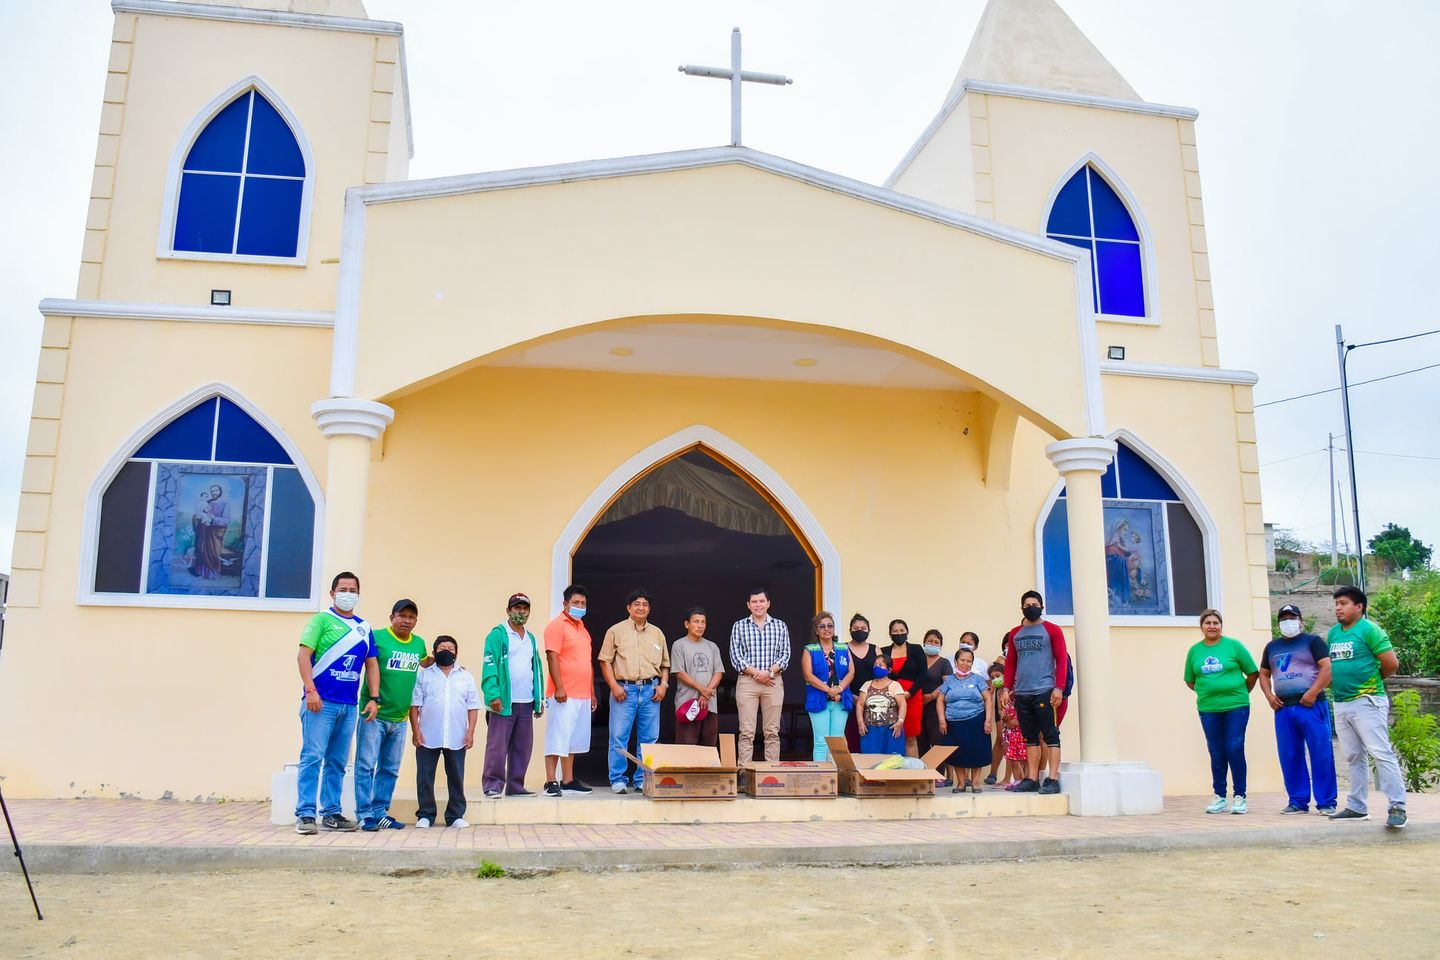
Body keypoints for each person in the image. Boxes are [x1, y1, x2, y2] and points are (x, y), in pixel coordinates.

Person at [293, 571, 379, 835]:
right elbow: (303, 657)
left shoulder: (364, 628)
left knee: (337, 762)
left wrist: (374, 698)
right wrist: (310, 691)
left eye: (353, 590)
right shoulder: (321, 620)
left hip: (349, 705)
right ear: (332, 593)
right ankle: (305, 814)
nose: (348, 594)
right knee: (312, 757)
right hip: (320, 702)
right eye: (343, 589)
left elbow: (371, 664)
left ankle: (331, 813)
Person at [1325, 586, 1407, 828]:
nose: (1338, 608)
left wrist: (1370, 682)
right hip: (1341, 702)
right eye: (1336, 604)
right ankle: (1357, 807)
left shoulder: (1370, 630)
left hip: (1367, 701)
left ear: (1359, 607)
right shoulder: (1333, 633)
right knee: (1353, 756)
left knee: (1380, 752)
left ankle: (1397, 806)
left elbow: (1391, 664)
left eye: (1343, 603)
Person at [1258, 603, 1337, 815]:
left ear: (1300, 621)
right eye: (1283, 619)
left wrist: (1313, 692)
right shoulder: (1272, 647)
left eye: (1291, 618)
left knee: (1321, 752)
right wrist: (1269, 696)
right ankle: (1297, 801)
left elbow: (1327, 667)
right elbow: (1264, 673)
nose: (1288, 622)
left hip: (1311, 704)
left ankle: (1326, 802)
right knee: (1289, 754)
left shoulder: (1313, 641)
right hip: (1283, 707)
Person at [354, 598, 425, 831]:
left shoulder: (418, 643)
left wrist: (452, 665)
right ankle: (364, 814)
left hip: (400, 719)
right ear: (392, 617)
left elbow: (427, 661)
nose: (407, 620)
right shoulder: (376, 637)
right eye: (402, 616)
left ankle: (380, 811)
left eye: (411, 617)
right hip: (374, 715)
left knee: (390, 769)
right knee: (366, 765)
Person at [1183, 609, 1258, 815]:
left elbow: (1253, 673)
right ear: (1201, 627)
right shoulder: (1195, 651)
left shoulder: (1234, 646)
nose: (1212, 626)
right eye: (1207, 623)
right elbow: (1190, 680)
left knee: (1234, 747)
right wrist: (1208, 692)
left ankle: (1240, 797)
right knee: (1216, 751)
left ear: (1221, 626)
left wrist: (1240, 692)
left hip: (1236, 706)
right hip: (1208, 709)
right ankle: (1219, 796)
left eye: (1216, 623)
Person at [599, 588, 670, 794]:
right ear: (628, 608)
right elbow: (605, 661)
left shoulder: (657, 633)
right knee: (618, 737)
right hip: (624, 690)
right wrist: (614, 686)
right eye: (637, 604)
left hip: (651, 691)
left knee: (649, 739)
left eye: (645, 604)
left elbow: (665, 664)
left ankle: (642, 779)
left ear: (649, 609)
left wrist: (663, 685)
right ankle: (618, 779)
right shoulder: (615, 631)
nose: (641, 608)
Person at [1001, 591, 1069, 795]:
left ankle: (1052, 778)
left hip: (1045, 690)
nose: (1031, 607)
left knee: (1050, 736)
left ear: (1042, 607)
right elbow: (1011, 663)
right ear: (1022, 608)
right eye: (1027, 605)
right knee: (1029, 737)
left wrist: (1059, 688)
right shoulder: (1015, 633)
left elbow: (1062, 659)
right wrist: (1007, 688)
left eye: (1035, 604)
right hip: (1022, 692)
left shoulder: (1052, 630)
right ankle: (1031, 778)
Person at [410, 635, 480, 828]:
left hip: (457, 735)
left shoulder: (465, 676)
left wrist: (470, 732)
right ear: (434, 652)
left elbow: (473, 706)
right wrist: (416, 731)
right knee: (425, 777)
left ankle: (455, 816)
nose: (447, 652)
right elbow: (414, 705)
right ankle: (426, 815)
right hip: (427, 735)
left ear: (456, 652)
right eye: (442, 648)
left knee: (456, 776)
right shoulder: (424, 675)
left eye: (451, 648)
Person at [480, 593, 545, 798]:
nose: (521, 612)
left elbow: (536, 669)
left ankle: (516, 786)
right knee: (497, 746)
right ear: (508, 611)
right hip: (504, 702)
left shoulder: (531, 638)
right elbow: (489, 665)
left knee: (522, 747)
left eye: (525, 609)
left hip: (526, 701)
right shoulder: (498, 635)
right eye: (517, 608)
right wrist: (493, 695)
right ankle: (492, 785)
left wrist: (539, 699)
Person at [542, 584, 596, 798]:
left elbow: (586, 662)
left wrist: (592, 692)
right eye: (575, 603)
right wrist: (559, 687)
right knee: (557, 736)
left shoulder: (582, 628)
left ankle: (568, 780)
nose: (579, 606)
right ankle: (550, 781)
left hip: (582, 693)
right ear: (565, 604)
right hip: (563, 693)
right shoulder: (557, 626)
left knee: (573, 739)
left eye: (583, 603)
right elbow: (552, 657)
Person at [730, 587, 791, 763]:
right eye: (754, 602)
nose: (758, 605)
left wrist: (769, 673)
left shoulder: (780, 626)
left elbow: (785, 655)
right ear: (748, 605)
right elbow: (736, 656)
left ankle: (771, 772)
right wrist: (758, 674)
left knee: (772, 731)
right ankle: (744, 772)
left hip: (773, 681)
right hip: (748, 682)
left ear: (768, 603)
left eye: (762, 601)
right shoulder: (739, 626)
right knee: (746, 732)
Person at [937, 648, 993, 792]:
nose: (965, 663)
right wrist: (942, 720)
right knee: (958, 754)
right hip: (954, 723)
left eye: (969, 661)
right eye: (962, 660)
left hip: (976, 720)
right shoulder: (949, 680)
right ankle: (961, 784)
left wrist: (987, 720)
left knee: (976, 752)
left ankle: (975, 783)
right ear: (956, 662)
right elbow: (940, 700)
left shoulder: (978, 679)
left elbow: (988, 699)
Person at [801, 611, 854, 761]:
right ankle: (820, 774)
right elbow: (808, 676)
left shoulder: (843, 648)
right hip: (819, 700)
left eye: (830, 626)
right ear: (816, 630)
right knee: (821, 742)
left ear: (834, 629)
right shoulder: (809, 649)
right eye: (822, 626)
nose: (826, 629)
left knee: (837, 742)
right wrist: (829, 690)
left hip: (840, 700)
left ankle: (835, 774)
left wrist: (839, 689)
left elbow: (851, 672)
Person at [671, 607, 724, 747]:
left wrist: (705, 694)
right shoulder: (679, 645)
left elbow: (718, 672)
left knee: (708, 746)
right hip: (687, 704)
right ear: (687, 624)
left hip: (709, 704)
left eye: (703, 622)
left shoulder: (712, 646)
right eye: (696, 621)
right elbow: (679, 673)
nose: (700, 625)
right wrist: (703, 690)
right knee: (686, 747)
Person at [884, 619, 928, 757]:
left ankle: (913, 768)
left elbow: (923, 674)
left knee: (910, 736)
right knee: (892, 734)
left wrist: (910, 693)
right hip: (890, 698)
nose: (899, 633)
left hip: (912, 697)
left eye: (902, 630)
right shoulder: (884, 651)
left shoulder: (916, 649)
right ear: (890, 634)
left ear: (907, 632)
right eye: (895, 631)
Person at [856, 654, 907, 754]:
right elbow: (860, 705)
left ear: (889, 670)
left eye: (880, 665)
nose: (877, 667)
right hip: (870, 730)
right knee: (870, 759)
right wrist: (860, 723)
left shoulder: (895, 685)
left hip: (891, 730)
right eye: (875, 664)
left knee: (892, 760)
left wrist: (900, 722)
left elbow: (902, 705)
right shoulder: (867, 685)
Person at [918, 629, 953, 762]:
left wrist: (931, 696)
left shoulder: (944, 663)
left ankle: (938, 773)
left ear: (940, 645)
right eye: (930, 641)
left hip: (936, 708)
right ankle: (925, 772)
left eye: (936, 642)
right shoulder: (918, 661)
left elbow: (948, 683)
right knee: (921, 745)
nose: (933, 644)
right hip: (918, 707)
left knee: (938, 744)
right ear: (924, 643)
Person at [844, 613, 876, 751]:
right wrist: (852, 696)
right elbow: (838, 674)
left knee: (870, 738)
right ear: (850, 630)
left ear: (869, 630)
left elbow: (882, 675)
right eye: (856, 628)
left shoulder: (875, 649)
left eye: (863, 628)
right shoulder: (842, 648)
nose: (860, 631)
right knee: (851, 737)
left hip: (871, 701)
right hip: (848, 698)